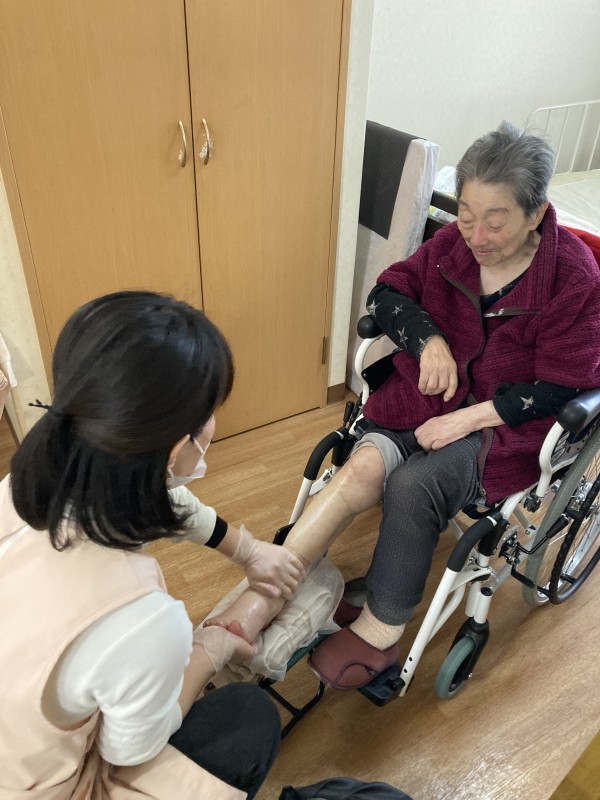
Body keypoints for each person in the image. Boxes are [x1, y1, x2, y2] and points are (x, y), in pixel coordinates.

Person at [204, 122, 600, 689]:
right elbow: (388, 293)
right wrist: (428, 340)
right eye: (466, 214)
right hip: (422, 396)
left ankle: (382, 630)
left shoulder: (573, 277)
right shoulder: (453, 245)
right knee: (360, 468)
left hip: (502, 428)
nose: (476, 235)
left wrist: (466, 418)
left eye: (495, 221)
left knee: (415, 484)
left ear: (536, 213)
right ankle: (255, 607)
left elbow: (565, 384)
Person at [0, 290, 306, 799]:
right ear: (179, 446)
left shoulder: (23, 487)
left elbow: (160, 496)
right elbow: (129, 751)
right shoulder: (143, 621)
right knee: (249, 718)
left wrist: (247, 550)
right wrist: (211, 648)